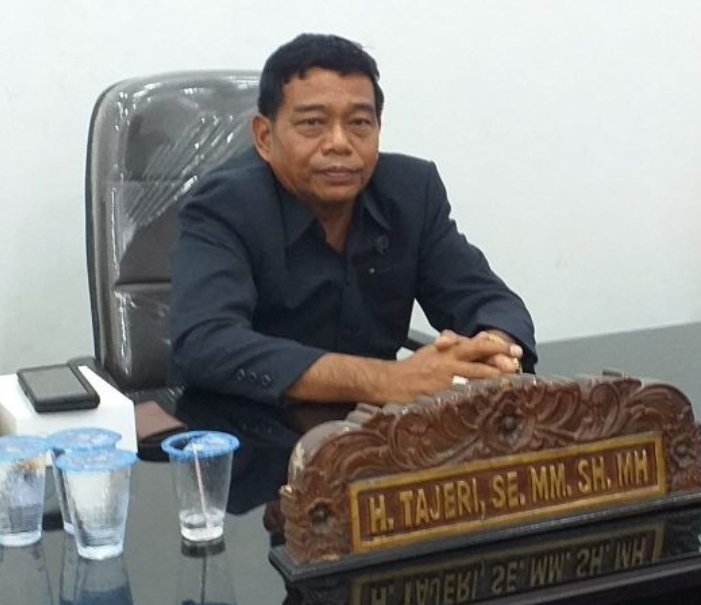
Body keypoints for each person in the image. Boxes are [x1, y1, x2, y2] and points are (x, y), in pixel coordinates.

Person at [170, 33, 536, 406]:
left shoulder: (412, 193)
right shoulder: (225, 206)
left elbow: (486, 298)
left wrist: (493, 349)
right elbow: (205, 341)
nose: (340, 143)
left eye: (359, 123)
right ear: (264, 137)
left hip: (380, 428)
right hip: (254, 423)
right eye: (313, 123)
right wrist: (388, 379)